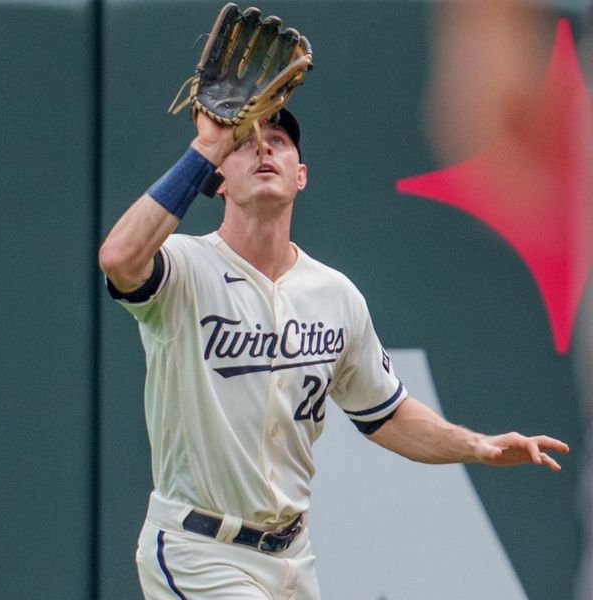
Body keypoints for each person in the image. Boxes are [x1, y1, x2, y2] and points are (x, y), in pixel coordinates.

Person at [98, 108, 570, 599]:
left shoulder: (334, 295)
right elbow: (119, 259)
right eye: (245, 143)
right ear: (216, 180)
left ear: (300, 176)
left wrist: (477, 446)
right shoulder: (184, 267)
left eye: (278, 141)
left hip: (292, 559)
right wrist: (204, 149)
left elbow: (386, 414)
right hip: (199, 550)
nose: (263, 149)